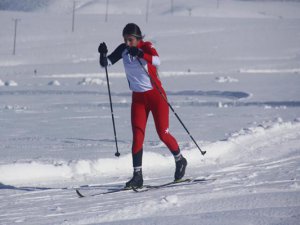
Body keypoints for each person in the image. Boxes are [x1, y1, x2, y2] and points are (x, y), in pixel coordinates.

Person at [98, 23, 187, 189]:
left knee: (163, 133)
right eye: (125, 40)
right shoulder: (123, 49)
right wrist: (102, 54)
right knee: (137, 136)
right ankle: (137, 176)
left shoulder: (146, 46)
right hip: (138, 99)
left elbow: (157, 60)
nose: (127, 43)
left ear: (138, 38)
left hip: (156, 96)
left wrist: (140, 53)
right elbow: (106, 63)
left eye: (130, 40)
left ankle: (180, 159)